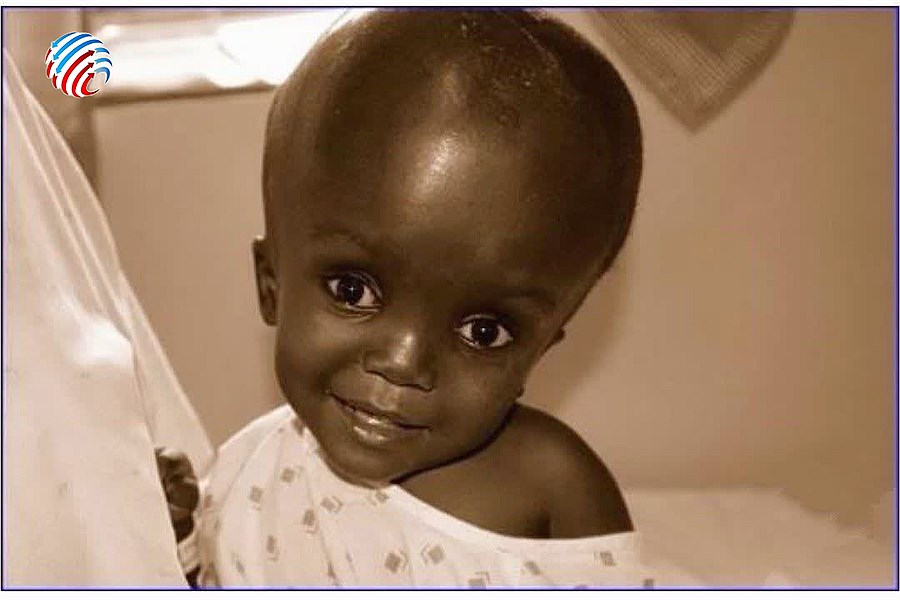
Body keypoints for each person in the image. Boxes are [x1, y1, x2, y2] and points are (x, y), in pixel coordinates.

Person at [190, 9, 651, 587]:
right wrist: (179, 535)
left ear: (540, 349)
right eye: (353, 291)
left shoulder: (553, 488)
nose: (403, 363)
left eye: (484, 332)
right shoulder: (249, 472)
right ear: (270, 284)